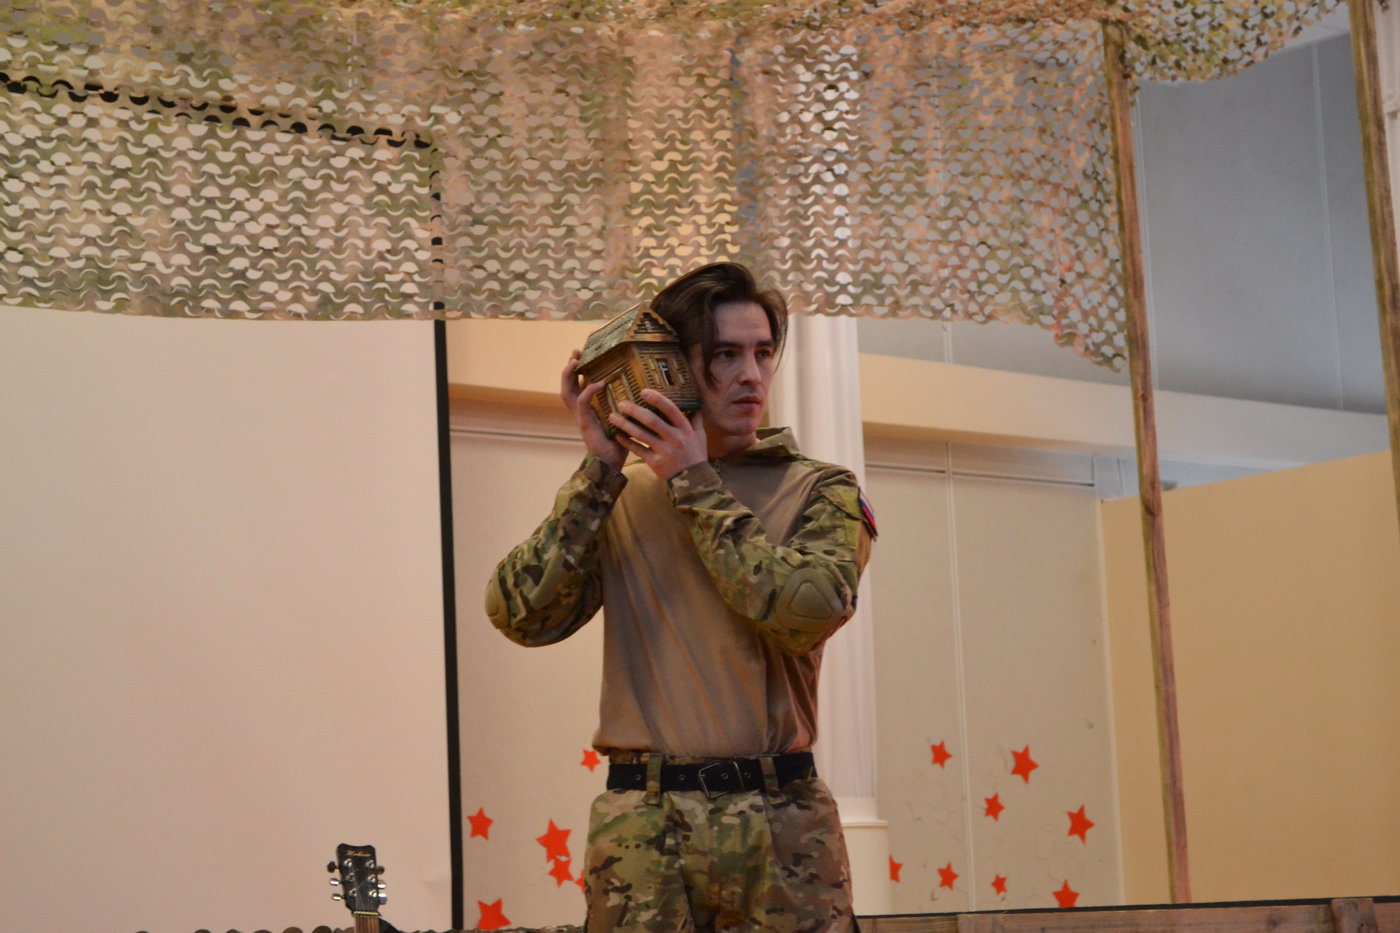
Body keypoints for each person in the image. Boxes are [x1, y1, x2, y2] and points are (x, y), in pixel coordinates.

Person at [485, 261, 876, 932]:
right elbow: (521, 614)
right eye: (725, 355)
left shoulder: (820, 489)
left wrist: (695, 484)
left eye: (762, 353)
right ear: (669, 366)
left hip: (781, 824)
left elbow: (806, 613)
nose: (751, 375)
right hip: (645, 826)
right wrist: (600, 469)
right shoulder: (619, 493)